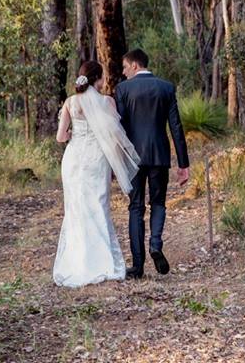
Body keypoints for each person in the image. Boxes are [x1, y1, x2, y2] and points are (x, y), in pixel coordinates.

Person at [52, 61, 139, 287]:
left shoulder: (70, 102)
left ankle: (77, 263)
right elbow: (113, 137)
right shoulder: (107, 102)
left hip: (73, 160)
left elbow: (60, 137)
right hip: (97, 159)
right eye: (102, 77)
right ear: (98, 78)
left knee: (76, 209)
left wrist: (73, 133)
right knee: (98, 206)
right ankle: (103, 262)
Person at [115, 48, 189, 279]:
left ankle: (137, 267)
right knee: (158, 203)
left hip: (133, 159)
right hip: (159, 155)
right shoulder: (166, 87)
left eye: (125, 67)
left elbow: (119, 129)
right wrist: (183, 163)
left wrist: (116, 160)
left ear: (135, 65)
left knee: (136, 207)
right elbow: (176, 127)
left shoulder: (123, 89)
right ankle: (155, 244)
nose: (124, 72)